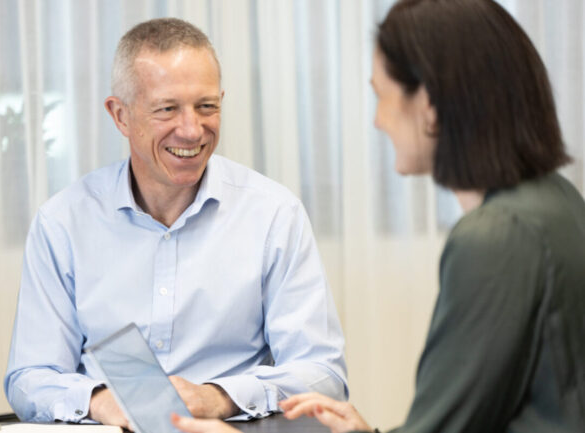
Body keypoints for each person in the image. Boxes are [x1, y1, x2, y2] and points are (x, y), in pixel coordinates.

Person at [172, 0, 585, 432]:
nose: (377, 120)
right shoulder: (556, 199)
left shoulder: (495, 238)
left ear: (429, 105)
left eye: (382, 97)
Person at [4, 18, 348, 426]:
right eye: (167, 109)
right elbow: (29, 377)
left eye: (207, 107)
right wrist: (99, 402)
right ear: (120, 116)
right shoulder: (62, 222)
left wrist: (218, 398)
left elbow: (323, 375)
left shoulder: (274, 214)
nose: (191, 130)